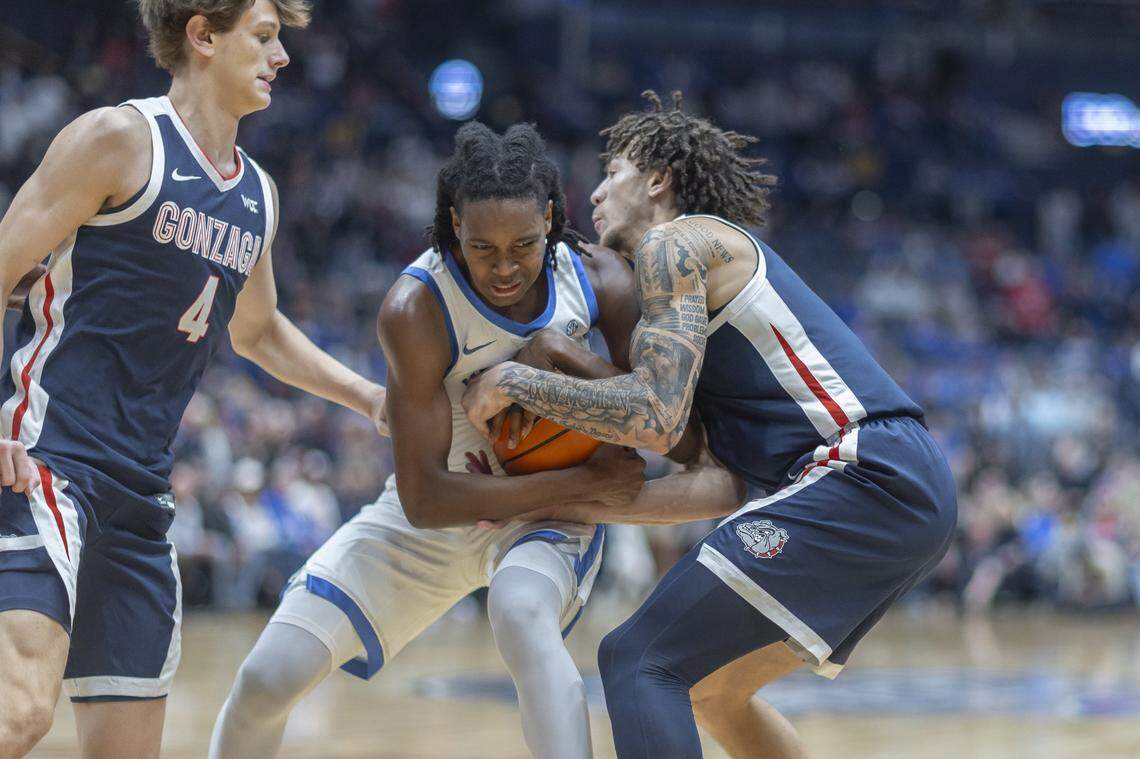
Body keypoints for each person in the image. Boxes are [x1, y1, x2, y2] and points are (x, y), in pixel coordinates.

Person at [464, 91, 958, 758]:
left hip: (864, 468)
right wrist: (536, 501)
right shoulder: (685, 318)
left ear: (659, 180)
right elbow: (720, 488)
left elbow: (653, 413)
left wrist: (517, 380)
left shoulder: (680, 241)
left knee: (639, 659)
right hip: (884, 485)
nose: (599, 191)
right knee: (712, 691)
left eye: (614, 171)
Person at [0, 1, 387, 756]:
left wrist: (369, 396)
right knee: (20, 711)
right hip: (46, 461)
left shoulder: (257, 197)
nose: (281, 59)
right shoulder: (118, 139)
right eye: (266, 38)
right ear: (203, 35)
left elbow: (258, 331)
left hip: (140, 495)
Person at [209, 122, 646, 759]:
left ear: (552, 218)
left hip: (544, 520)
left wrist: (556, 358)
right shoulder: (416, 306)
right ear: (452, 225)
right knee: (265, 678)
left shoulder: (599, 279)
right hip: (454, 503)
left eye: (523, 245)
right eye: (482, 248)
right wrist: (588, 483)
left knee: (523, 616)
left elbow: (659, 412)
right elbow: (423, 500)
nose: (504, 268)